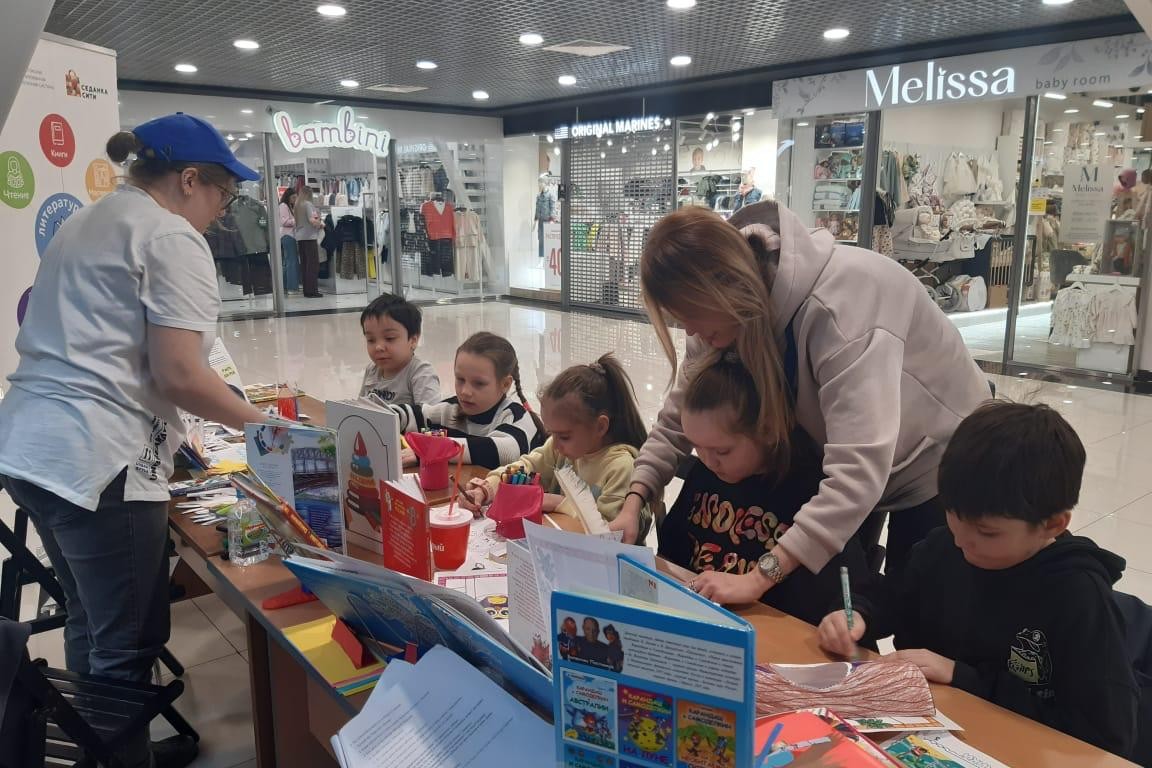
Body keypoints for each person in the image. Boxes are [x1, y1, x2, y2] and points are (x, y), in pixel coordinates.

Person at [0, 113, 270, 768]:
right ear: (189, 179)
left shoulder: (85, 221)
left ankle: (99, 752)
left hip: (30, 448)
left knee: (89, 619)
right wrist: (265, 427)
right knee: (127, 646)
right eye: (223, 194)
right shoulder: (170, 236)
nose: (221, 211)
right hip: (99, 462)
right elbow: (179, 373)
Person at [612, 201, 990, 604]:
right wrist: (634, 500)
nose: (689, 330)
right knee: (840, 594)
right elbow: (675, 420)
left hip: (940, 460)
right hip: (848, 460)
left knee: (918, 605)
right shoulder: (718, 316)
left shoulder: (843, 306)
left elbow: (856, 473)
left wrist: (759, 577)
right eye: (678, 318)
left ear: (723, 288)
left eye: (691, 314)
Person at [817, 402, 1138, 760]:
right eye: (952, 515)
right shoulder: (943, 548)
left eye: (987, 532)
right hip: (924, 734)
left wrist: (963, 677)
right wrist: (857, 614)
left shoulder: (1078, 595)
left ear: (1052, 525)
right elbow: (891, 595)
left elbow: (1104, 736)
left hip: (1017, 751)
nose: (962, 540)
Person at [663, 357, 871, 626]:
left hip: (776, 635)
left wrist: (849, 619)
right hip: (703, 624)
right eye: (697, 447)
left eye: (722, 451)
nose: (709, 461)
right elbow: (671, 552)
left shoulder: (815, 490)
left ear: (768, 431)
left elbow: (856, 596)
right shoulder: (705, 473)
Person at [461, 353, 652, 540]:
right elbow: (525, 467)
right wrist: (486, 489)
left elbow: (609, 534)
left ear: (600, 426)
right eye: (551, 433)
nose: (555, 444)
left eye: (564, 436)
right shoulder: (559, 446)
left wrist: (557, 503)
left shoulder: (621, 467)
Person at [384, 332, 544, 468]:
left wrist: (430, 451)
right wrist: (381, 418)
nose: (465, 391)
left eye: (479, 383)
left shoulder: (517, 417)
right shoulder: (450, 409)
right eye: (460, 379)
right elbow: (411, 416)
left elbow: (505, 452)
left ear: (505, 384)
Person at [358, 293, 441, 407]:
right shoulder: (372, 370)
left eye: (389, 338)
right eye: (371, 340)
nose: (378, 347)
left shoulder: (420, 373)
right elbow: (360, 407)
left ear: (413, 340)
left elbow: (431, 415)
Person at [295, 185, 323, 297]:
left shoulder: (297, 205)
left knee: (305, 265)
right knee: (313, 265)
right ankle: (312, 291)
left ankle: (307, 290)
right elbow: (312, 220)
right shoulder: (308, 204)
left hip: (300, 237)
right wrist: (320, 223)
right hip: (309, 237)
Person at [278, 187, 300, 294]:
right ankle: (291, 287)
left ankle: (286, 286)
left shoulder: (289, 206)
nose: (295, 199)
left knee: (288, 261)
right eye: (293, 197)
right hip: (288, 236)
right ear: (288, 197)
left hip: (289, 236)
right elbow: (284, 222)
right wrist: (297, 220)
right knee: (291, 261)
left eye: (296, 197)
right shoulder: (283, 206)